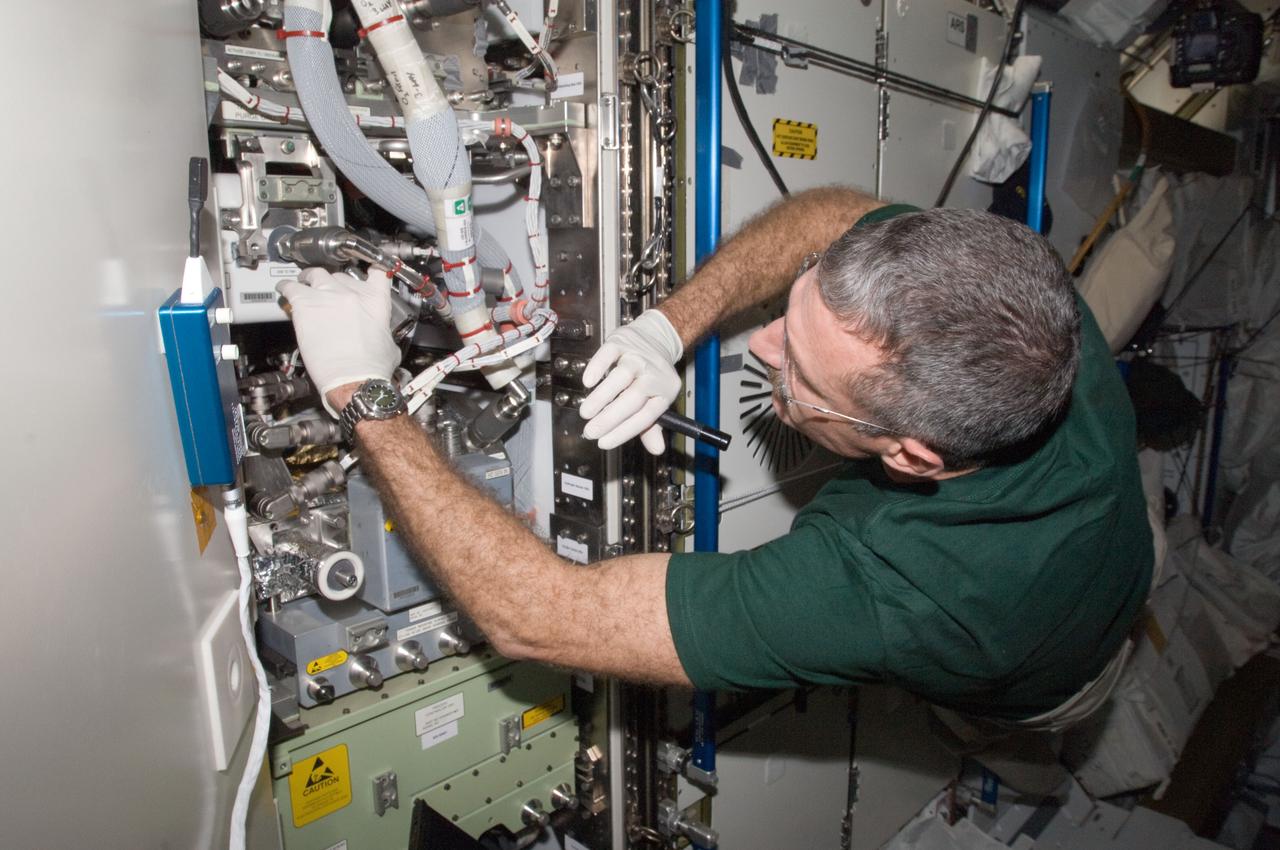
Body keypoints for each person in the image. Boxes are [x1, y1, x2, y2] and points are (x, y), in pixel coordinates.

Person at [277, 187, 1153, 727]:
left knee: (1008, 728)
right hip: (1105, 539)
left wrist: (365, 393)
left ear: (914, 457)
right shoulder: (1023, 307)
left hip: (1053, 678)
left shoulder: (900, 594)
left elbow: (539, 618)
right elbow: (833, 216)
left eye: (799, 373)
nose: (763, 345)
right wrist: (673, 325)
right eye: (792, 309)